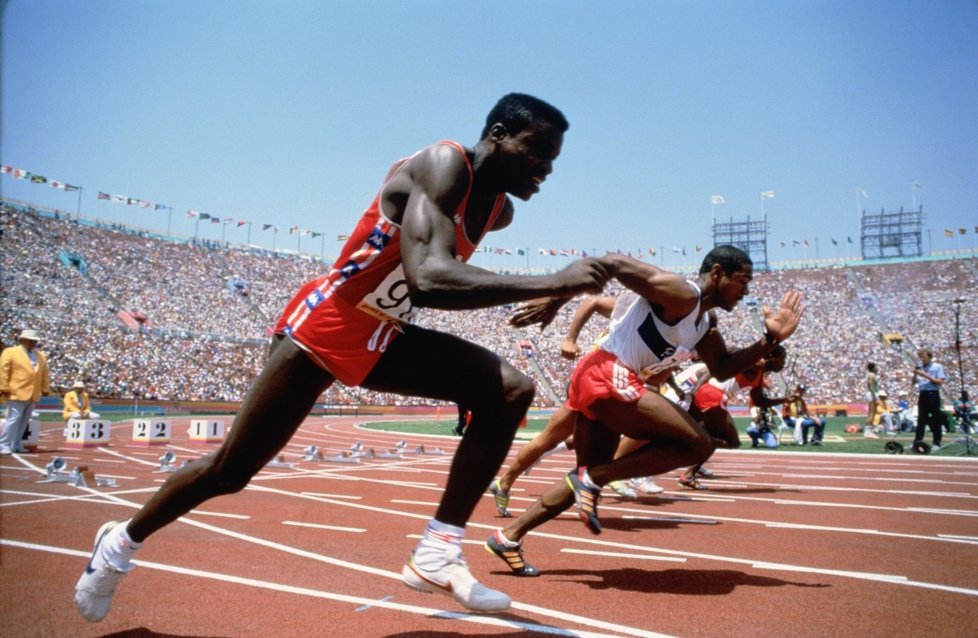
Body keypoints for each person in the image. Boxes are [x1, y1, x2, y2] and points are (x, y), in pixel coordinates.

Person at [74, 93, 614, 621]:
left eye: (554, 159)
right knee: (230, 471)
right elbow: (428, 279)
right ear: (497, 135)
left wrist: (553, 294)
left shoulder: (499, 213)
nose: (545, 168)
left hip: (384, 334)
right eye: (537, 151)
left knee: (508, 390)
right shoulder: (443, 162)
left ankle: (437, 551)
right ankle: (117, 545)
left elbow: (426, 283)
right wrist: (550, 281)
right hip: (327, 326)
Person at [484, 246, 803, 576]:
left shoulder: (705, 321)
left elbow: (722, 368)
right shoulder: (681, 292)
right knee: (699, 444)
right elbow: (610, 262)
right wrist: (555, 297)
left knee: (588, 473)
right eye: (743, 281)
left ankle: (508, 537)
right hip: (606, 370)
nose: (746, 291)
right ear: (718, 273)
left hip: (606, 378)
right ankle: (591, 479)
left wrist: (768, 340)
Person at [489, 294, 662, 518]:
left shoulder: (671, 328)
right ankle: (612, 474)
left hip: (608, 380)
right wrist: (570, 338)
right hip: (599, 378)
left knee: (552, 439)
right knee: (620, 435)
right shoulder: (639, 307)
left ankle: (504, 482)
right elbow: (592, 301)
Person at [0, 329, 51, 455]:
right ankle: (3, 444)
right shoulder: (10, 352)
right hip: (16, 390)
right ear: (22, 340)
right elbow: (3, 370)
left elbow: (44, 374)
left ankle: (16, 444)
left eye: (35, 341)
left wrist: (45, 388)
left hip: (33, 393)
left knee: (24, 420)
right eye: (31, 340)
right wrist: (3, 387)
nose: (33, 343)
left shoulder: (40, 355)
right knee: (13, 418)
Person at [912, 348, 946, 451]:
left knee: (935, 419)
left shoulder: (937, 367)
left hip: (933, 393)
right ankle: (917, 442)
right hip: (923, 394)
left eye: (924, 357)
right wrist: (915, 374)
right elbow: (914, 383)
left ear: (930, 357)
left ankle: (937, 443)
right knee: (921, 420)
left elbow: (940, 381)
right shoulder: (920, 367)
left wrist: (925, 375)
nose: (922, 359)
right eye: (920, 357)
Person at [864, 362, 880, 436]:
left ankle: (869, 430)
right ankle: (868, 431)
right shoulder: (871, 375)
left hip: (872, 394)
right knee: (871, 413)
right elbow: (870, 384)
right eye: (876, 366)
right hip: (871, 394)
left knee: (873, 413)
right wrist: (874, 395)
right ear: (873, 368)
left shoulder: (873, 375)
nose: (877, 368)